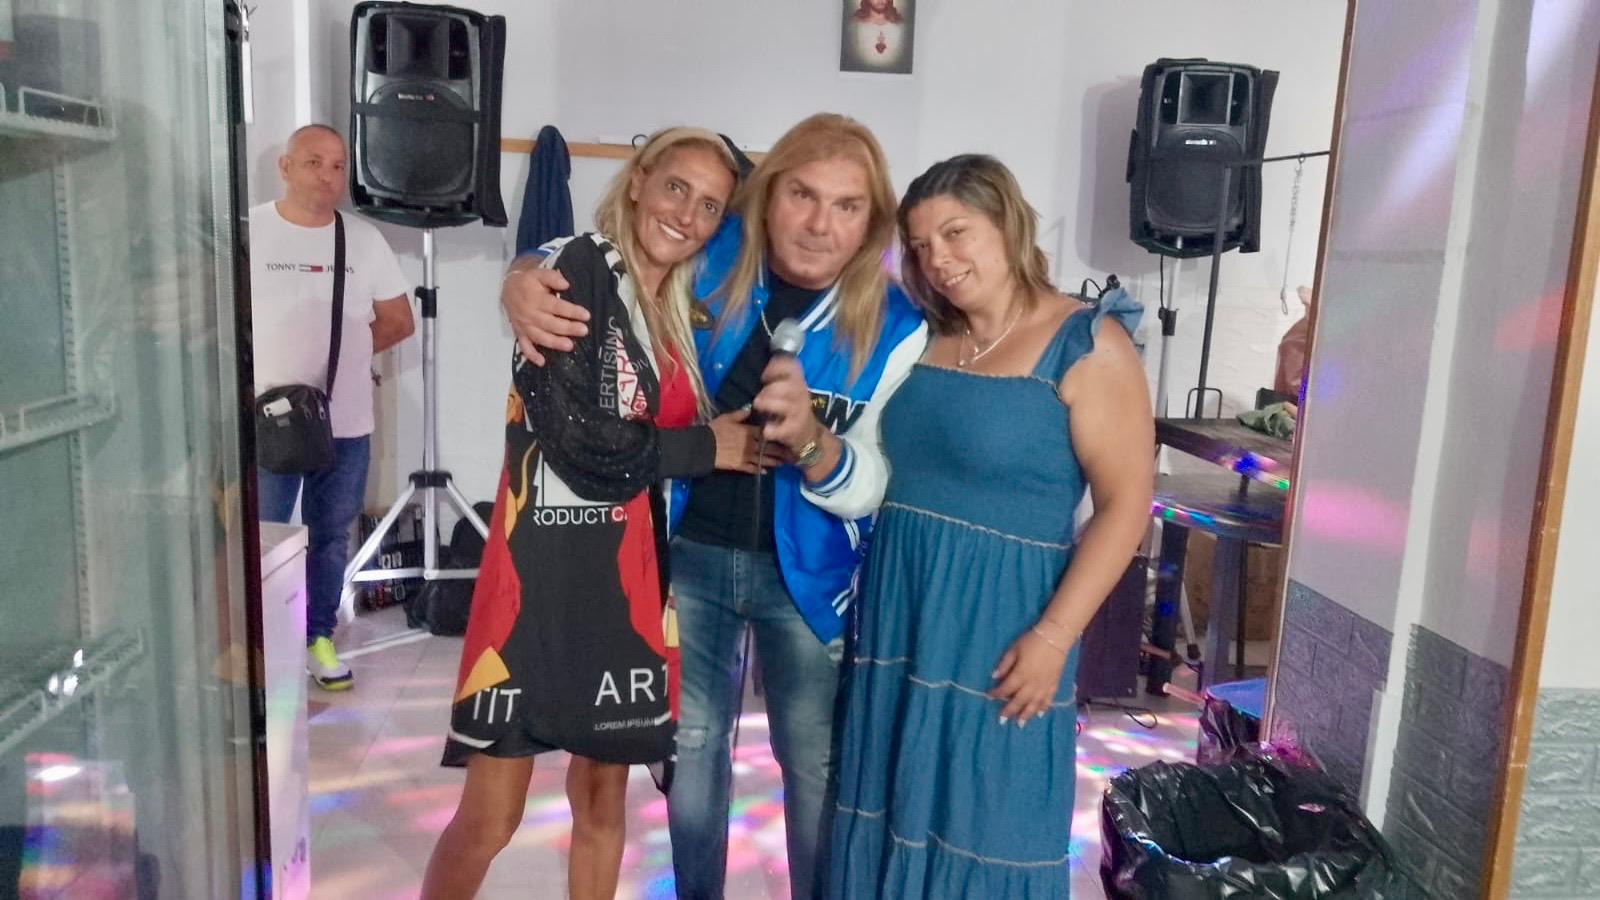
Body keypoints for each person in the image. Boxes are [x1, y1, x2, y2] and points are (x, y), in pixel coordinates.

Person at [500, 113, 929, 900]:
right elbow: (603, 252)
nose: (819, 223)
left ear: (872, 222)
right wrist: (523, 274)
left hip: (809, 578)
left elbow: (876, 483)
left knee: (814, 765)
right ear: (769, 196)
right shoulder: (714, 249)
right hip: (684, 557)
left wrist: (815, 446)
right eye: (802, 194)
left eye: (846, 206)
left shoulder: (896, 324)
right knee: (692, 752)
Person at [420, 127, 753, 900]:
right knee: (491, 816)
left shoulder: (679, 305)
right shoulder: (577, 269)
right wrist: (709, 448)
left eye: (709, 205)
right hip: (538, 580)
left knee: (602, 804)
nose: (688, 214)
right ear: (638, 181)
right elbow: (578, 442)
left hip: (628, 585)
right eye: (677, 188)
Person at [829, 154, 1154, 898]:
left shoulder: (1087, 344)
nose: (938, 260)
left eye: (956, 233)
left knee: (989, 819)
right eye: (920, 246)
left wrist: (1054, 638)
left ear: (1007, 225)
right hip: (902, 614)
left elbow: (1125, 506)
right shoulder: (921, 337)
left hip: (1005, 625)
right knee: (890, 806)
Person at [251, 123, 414, 691]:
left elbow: (398, 320)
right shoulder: (250, 230)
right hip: (267, 422)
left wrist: (349, 358)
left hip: (343, 421)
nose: (327, 175)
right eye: (314, 162)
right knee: (263, 535)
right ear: (286, 167)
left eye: (338, 165)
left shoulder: (362, 239)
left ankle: (318, 636)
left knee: (330, 534)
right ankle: (261, 650)